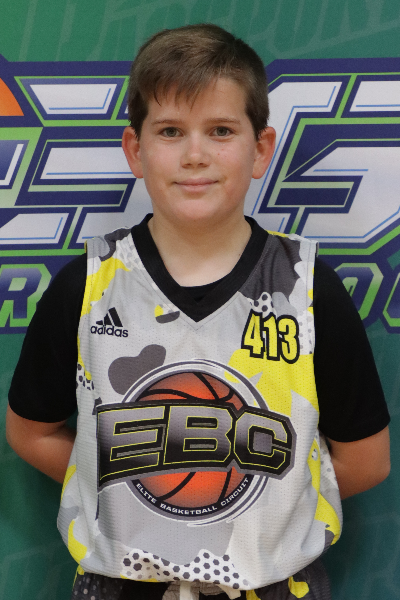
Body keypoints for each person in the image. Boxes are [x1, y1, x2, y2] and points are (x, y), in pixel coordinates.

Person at [6, 24, 390, 600]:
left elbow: (368, 461)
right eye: (170, 131)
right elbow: (29, 431)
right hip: (120, 583)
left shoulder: (309, 289)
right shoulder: (87, 286)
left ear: (260, 149)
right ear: (135, 149)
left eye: (221, 130)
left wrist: (272, 508)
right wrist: (119, 490)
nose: (194, 155)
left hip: (273, 584)